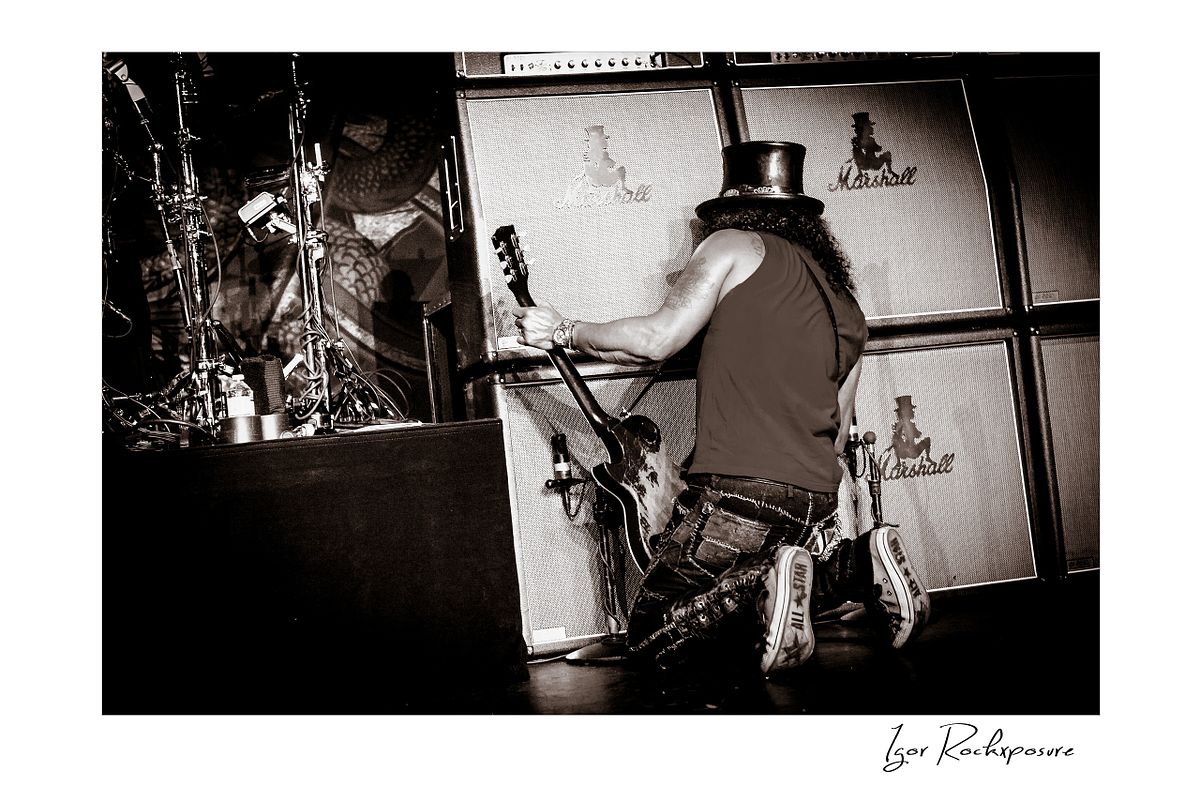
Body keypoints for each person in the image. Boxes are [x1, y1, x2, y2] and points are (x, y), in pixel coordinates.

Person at [514, 141, 929, 674]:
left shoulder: (729, 246)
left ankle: (764, 579)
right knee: (742, 609)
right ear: (805, 222)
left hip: (741, 493)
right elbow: (841, 432)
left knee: (652, 631)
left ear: (732, 211)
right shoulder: (849, 309)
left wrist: (562, 329)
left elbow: (658, 338)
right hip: (815, 499)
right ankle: (855, 565)